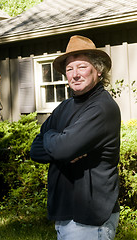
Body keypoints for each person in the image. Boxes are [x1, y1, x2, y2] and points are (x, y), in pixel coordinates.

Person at [30, 35, 121, 240]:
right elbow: (35, 150)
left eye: (81, 67)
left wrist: (58, 143)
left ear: (98, 70)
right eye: (69, 69)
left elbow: (63, 149)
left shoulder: (102, 108)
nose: (75, 74)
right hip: (64, 213)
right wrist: (59, 140)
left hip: (89, 219)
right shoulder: (65, 107)